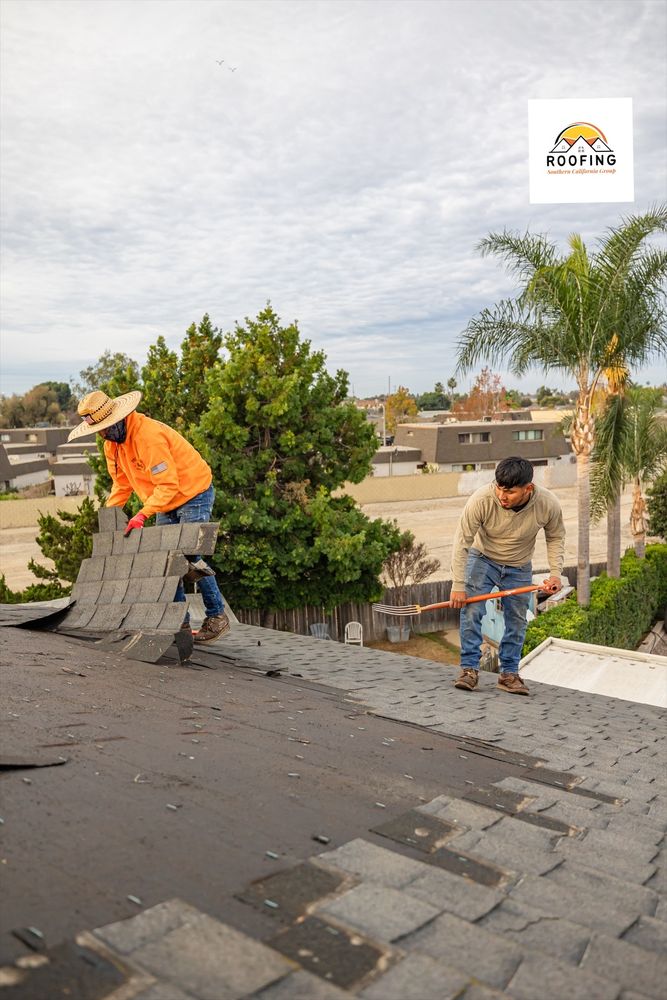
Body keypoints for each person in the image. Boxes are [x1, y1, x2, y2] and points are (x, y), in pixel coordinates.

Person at [68, 389, 230, 643]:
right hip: (162, 499)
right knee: (165, 560)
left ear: (120, 419)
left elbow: (169, 485)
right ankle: (179, 624)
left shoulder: (148, 436)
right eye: (99, 430)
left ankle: (217, 617)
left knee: (188, 556)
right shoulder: (112, 444)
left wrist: (142, 515)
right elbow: (121, 485)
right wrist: (109, 517)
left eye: (106, 428)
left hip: (192, 492)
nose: (102, 434)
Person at [450, 456, 565, 696]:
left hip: (519, 565)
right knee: (472, 611)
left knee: (517, 619)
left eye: (510, 492)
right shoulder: (481, 500)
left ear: (528, 489)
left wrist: (556, 574)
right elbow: (462, 542)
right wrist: (458, 585)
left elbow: (555, 537)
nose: (502, 496)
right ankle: (469, 669)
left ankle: (509, 674)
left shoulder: (547, 504)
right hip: (482, 559)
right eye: (499, 488)